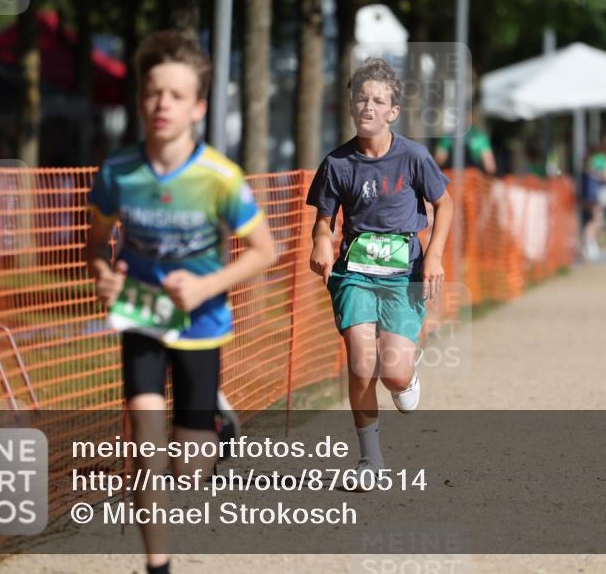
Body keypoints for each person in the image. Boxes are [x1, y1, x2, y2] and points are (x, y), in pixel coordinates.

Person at [86, 31, 276, 574]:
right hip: (143, 318)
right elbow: (96, 243)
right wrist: (103, 275)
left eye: (175, 94)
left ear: (198, 107)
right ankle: (158, 567)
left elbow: (265, 250)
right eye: (152, 92)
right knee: (145, 441)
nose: (162, 104)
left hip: (202, 324)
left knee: (188, 469)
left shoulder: (220, 177)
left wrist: (203, 287)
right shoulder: (118, 172)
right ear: (141, 100)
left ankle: (217, 422)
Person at [307, 58, 454, 486]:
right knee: (360, 362)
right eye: (361, 99)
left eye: (378, 101)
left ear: (393, 111)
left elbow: (445, 204)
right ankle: (370, 459)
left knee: (393, 374)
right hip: (354, 273)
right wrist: (320, 238)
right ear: (351, 107)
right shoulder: (337, 163)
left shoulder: (413, 157)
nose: (367, 106)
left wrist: (436, 255)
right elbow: (324, 217)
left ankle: (406, 372)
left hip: (403, 273)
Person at [433, 110, 497, 175]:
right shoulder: (480, 138)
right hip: (471, 179)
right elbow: (490, 167)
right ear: (472, 118)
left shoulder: (448, 136)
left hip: (451, 178)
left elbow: (439, 161)